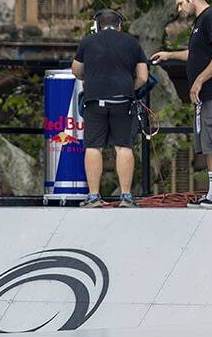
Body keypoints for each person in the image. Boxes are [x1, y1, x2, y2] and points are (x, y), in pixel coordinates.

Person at [153, 0, 212, 208]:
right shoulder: (200, 22)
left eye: (180, 2)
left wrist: (199, 80)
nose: (179, 8)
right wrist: (170, 54)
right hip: (205, 96)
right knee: (208, 142)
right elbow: (198, 53)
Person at [72, 9, 149, 208]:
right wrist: (127, 88)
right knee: (123, 146)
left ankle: (94, 196)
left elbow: (76, 70)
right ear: (119, 25)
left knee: (93, 146)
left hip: (94, 100)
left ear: (97, 24)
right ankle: (126, 197)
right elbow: (143, 76)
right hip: (123, 100)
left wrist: (91, 79)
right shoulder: (132, 42)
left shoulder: (88, 41)